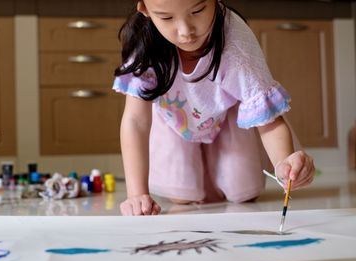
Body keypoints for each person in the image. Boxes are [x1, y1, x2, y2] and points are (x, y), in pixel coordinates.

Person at [112, 0, 315, 216]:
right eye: (166, 17)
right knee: (183, 196)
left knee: (244, 192)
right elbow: (136, 122)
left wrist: (284, 163)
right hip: (173, 119)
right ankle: (203, 175)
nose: (185, 32)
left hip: (227, 118)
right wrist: (136, 195)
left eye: (198, 10)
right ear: (144, 9)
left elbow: (269, 120)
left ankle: (216, 172)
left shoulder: (236, 42)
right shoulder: (144, 41)